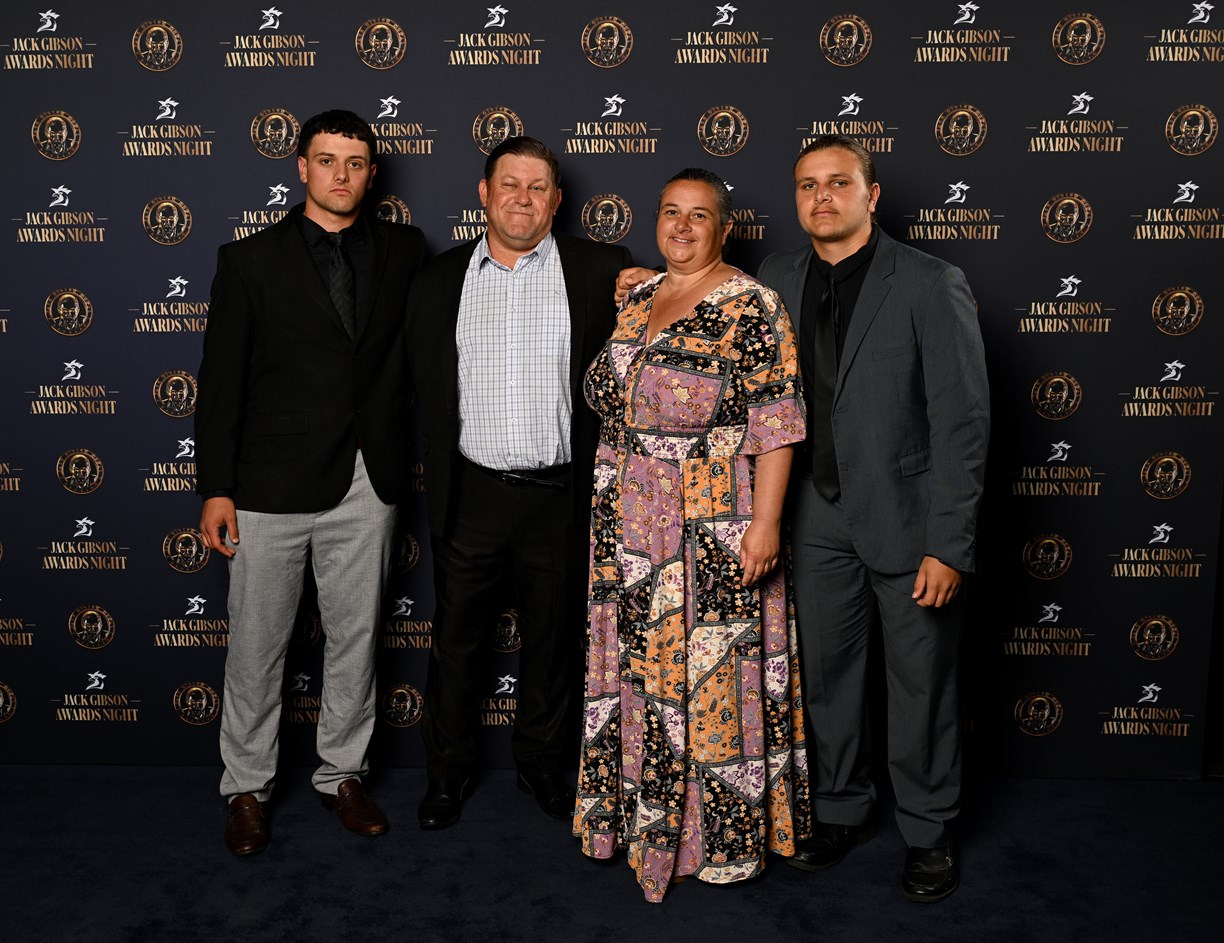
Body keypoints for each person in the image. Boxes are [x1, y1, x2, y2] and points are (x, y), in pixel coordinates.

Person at [758, 135, 988, 902]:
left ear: (872, 194)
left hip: (909, 520)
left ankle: (928, 827)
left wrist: (949, 543)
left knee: (921, 685)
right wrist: (642, 286)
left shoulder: (930, 281)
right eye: (807, 185)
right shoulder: (777, 276)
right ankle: (840, 808)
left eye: (838, 182)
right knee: (827, 679)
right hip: (814, 515)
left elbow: (962, 422)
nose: (821, 197)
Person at [195, 109, 426, 856]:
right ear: (302, 168)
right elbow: (220, 383)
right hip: (268, 482)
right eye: (327, 161)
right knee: (257, 644)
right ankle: (247, 787)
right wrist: (216, 486)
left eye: (355, 163)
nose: (340, 175)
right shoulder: (248, 259)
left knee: (357, 638)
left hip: (368, 475)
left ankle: (343, 774)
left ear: (372, 173)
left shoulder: (405, 250)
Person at [577, 168, 809, 903]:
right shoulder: (638, 296)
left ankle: (714, 844)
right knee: (639, 674)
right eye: (670, 212)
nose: (681, 226)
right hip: (625, 522)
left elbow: (777, 422)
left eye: (699, 215)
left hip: (710, 524)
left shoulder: (752, 304)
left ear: (724, 228)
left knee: (710, 680)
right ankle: (638, 826)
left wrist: (766, 523)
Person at [405, 136, 630, 830]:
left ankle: (542, 763)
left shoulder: (603, 270)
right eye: (510, 184)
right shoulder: (438, 280)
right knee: (456, 643)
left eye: (538, 187)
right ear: (484, 193)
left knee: (555, 640)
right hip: (471, 492)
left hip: (560, 493)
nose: (523, 199)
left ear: (557, 200)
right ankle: (447, 772)